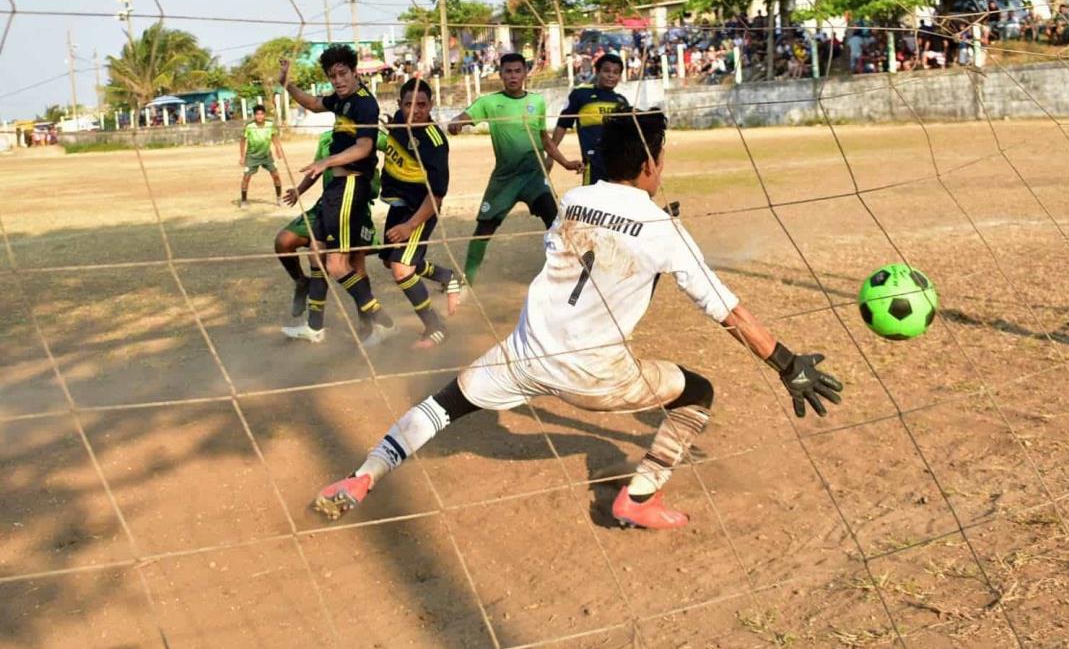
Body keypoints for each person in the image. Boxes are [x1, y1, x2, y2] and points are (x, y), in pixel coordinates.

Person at [312, 110, 843, 529]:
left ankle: (361, 478)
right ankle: (639, 497)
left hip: (525, 354)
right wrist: (786, 363)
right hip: (593, 374)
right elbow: (726, 310)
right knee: (697, 394)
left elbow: (591, 247)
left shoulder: (574, 200)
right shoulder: (663, 230)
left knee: (442, 404)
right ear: (650, 165)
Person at [279, 45, 392, 347]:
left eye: (343, 74)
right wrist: (287, 83)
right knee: (317, 252)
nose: (338, 81)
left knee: (340, 266)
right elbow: (314, 104)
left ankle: (380, 318)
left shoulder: (364, 104)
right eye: (332, 76)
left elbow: (365, 147)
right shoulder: (341, 100)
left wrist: (326, 161)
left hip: (352, 186)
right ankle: (315, 327)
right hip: (334, 189)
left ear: (355, 71)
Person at [447, 52, 580, 285]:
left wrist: (566, 163)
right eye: (508, 71)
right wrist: (456, 123)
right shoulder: (489, 102)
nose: (513, 76)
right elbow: (464, 116)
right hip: (504, 180)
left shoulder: (536, 102)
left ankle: (569, 274)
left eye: (517, 71)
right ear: (500, 74)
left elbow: (544, 139)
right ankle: (467, 280)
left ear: (525, 73)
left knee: (556, 225)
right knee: (483, 230)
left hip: (534, 177)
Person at [377, 78, 463, 348]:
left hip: (420, 209)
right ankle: (446, 277)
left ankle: (435, 327)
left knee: (402, 269)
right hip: (399, 205)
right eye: (408, 105)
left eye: (422, 105)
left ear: (432, 104)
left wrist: (410, 226)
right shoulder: (398, 124)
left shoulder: (434, 142)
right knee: (390, 261)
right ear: (399, 104)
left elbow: (436, 197)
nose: (415, 111)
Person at [549, 53, 632, 186]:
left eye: (616, 72)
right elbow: (562, 125)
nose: (611, 75)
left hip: (619, 165)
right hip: (593, 165)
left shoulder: (621, 101)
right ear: (597, 71)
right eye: (606, 71)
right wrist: (551, 156)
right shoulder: (580, 94)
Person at [238, 105, 284, 208]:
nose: (259, 116)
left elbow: (274, 137)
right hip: (252, 156)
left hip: (266, 155)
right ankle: (244, 201)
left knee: (276, 175)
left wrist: (278, 149)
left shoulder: (270, 124)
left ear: (264, 115)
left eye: (261, 114)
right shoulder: (249, 126)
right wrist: (242, 157)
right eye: (257, 114)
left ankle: (279, 199)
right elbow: (242, 141)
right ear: (254, 115)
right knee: (246, 177)